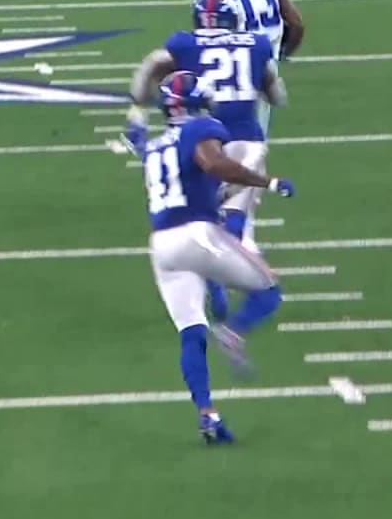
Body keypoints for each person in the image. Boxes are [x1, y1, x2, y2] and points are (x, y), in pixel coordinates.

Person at [125, 69, 295, 444]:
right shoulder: (198, 130)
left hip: (163, 246)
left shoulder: (154, 147)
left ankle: (207, 414)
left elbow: (187, 179)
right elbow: (213, 164)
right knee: (268, 290)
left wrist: (135, 122)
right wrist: (267, 181)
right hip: (197, 235)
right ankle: (234, 331)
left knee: (191, 333)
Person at [129, 0, 287, 323]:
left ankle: (217, 277)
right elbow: (277, 95)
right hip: (245, 139)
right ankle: (230, 280)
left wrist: (140, 97)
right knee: (235, 215)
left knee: (205, 205)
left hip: (201, 136)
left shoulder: (184, 44)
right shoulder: (255, 43)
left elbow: (153, 66)